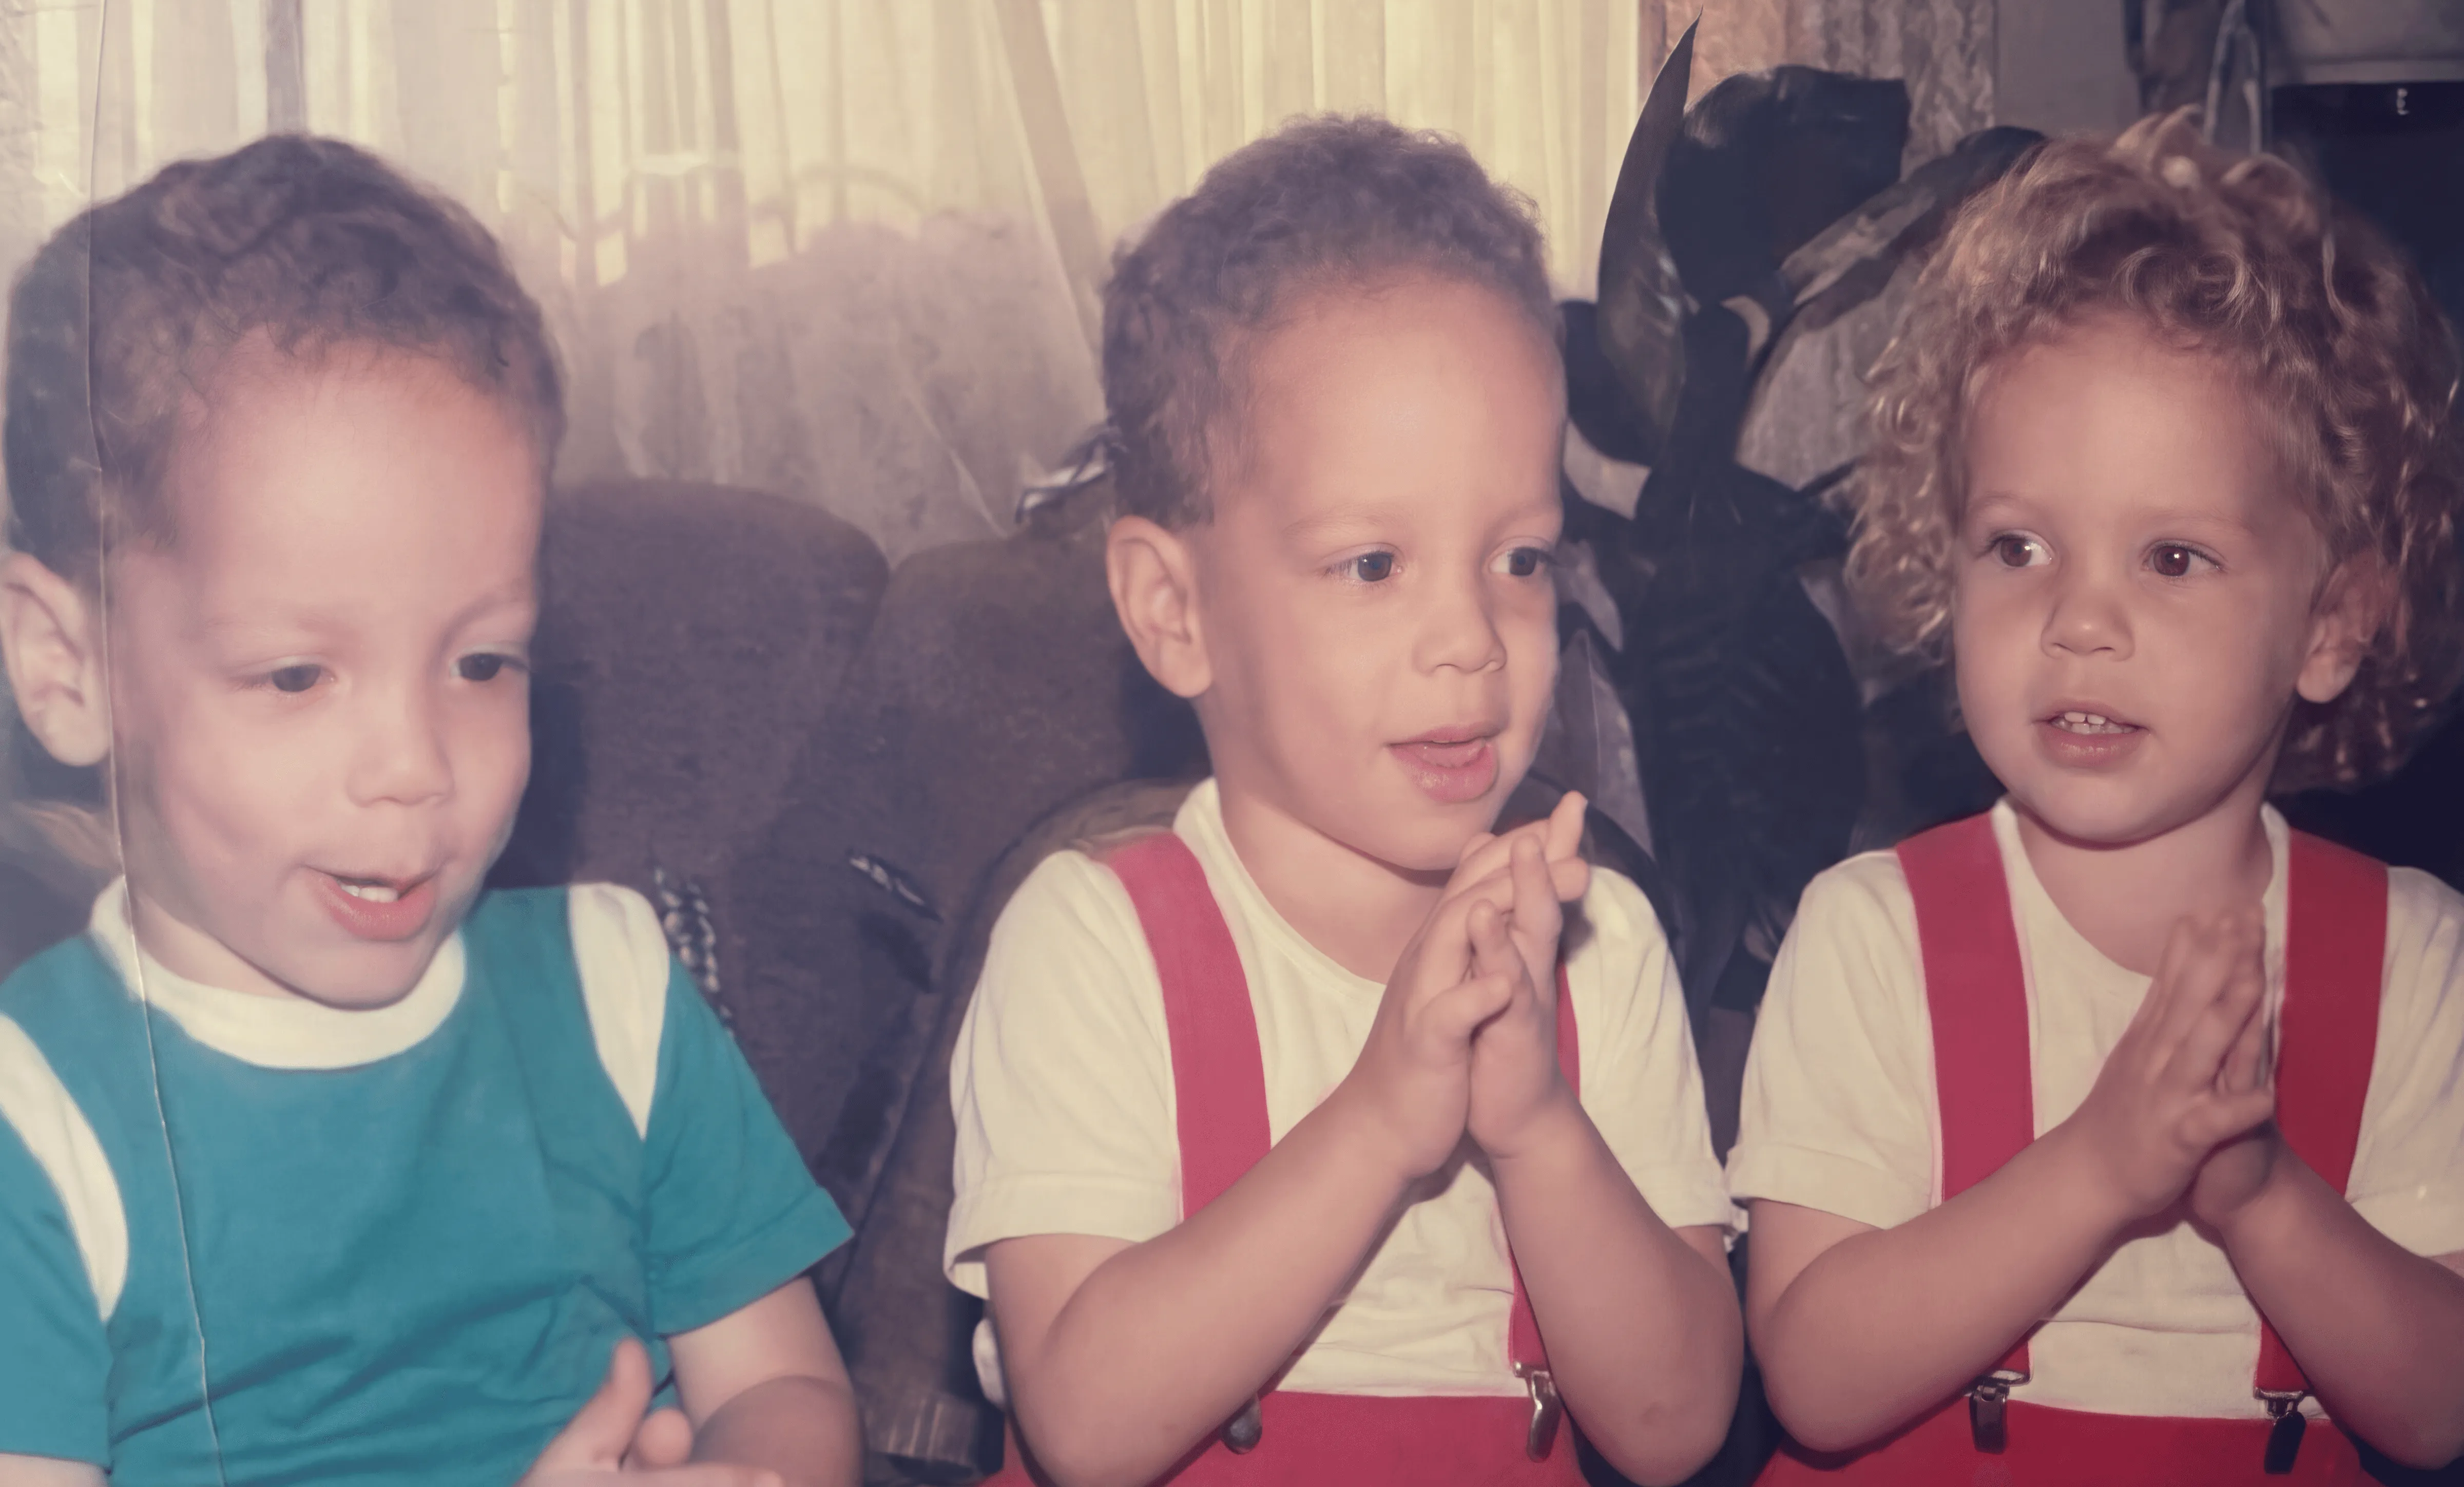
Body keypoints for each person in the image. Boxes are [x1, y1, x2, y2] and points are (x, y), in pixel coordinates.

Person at [0, 138, 861, 1487]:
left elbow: (792, 1389)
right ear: (66, 670)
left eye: (481, 662)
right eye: (296, 674)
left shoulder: (616, 997)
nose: (415, 764)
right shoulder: (34, 1116)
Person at [945, 117, 1742, 1487]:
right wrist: (1380, 1116)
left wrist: (1540, 1124)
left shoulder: (1594, 950)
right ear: (1173, 610)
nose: (1473, 643)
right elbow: (1081, 1426)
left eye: (1522, 559)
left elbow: (1675, 1432)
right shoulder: (1090, 946)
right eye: (1374, 564)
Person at [1731, 111, 2464, 1481]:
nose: (2078, 621)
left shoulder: (2417, 962)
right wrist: (2104, 1167)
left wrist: (2260, 1201)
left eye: (2174, 558)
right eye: (2019, 545)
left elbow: (2437, 1412)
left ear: (2332, 624)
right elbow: (1815, 1381)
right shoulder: (1873, 939)